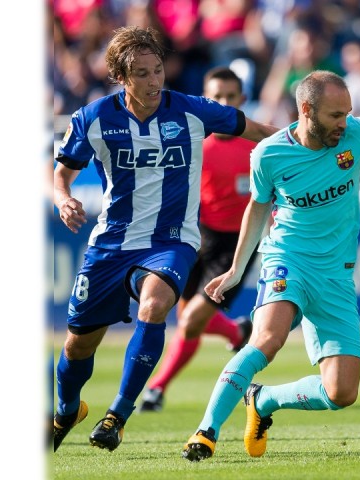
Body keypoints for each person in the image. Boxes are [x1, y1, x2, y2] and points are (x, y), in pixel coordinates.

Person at [51, 25, 279, 453]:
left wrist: (310, 139)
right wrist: (63, 199)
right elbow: (61, 170)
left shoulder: (192, 109)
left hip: (171, 240)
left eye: (157, 70)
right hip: (111, 244)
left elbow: (258, 129)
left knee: (156, 305)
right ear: (121, 76)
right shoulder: (94, 118)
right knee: (78, 344)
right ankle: (66, 410)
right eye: (141, 73)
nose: (154, 81)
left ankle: (117, 414)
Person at [181, 70, 360, 462]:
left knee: (341, 393)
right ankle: (206, 431)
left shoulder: (358, 134)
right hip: (286, 260)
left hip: (336, 276)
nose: (343, 123)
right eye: (334, 115)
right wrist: (236, 269)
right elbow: (257, 208)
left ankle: (263, 401)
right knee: (267, 340)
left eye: (347, 113)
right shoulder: (268, 154)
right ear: (306, 110)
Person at [138, 66, 260, 413]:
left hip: (236, 244)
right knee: (187, 318)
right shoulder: (191, 143)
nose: (222, 103)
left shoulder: (257, 145)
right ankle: (237, 334)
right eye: (215, 97)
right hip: (194, 238)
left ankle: (157, 388)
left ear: (242, 100)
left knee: (191, 320)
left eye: (230, 97)